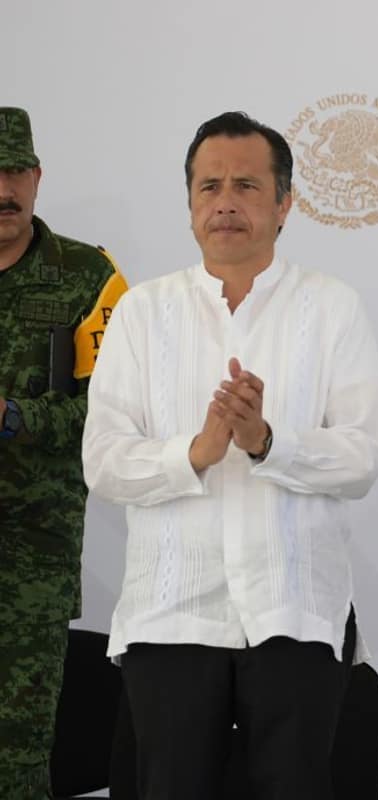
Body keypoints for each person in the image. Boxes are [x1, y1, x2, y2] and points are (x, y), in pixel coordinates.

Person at [81, 111, 378, 800]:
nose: (225, 200)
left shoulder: (332, 307)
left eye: (247, 185)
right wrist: (195, 453)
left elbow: (363, 457)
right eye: (208, 185)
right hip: (172, 614)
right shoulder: (141, 312)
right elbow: (102, 461)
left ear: (284, 204)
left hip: (295, 612)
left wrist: (267, 443)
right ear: (190, 205)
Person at [0, 106, 128, 799]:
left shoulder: (89, 276)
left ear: (38, 178)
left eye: (16, 170)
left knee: (19, 749)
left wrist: (16, 418)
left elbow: (118, 412)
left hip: (32, 555)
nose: (4, 189)